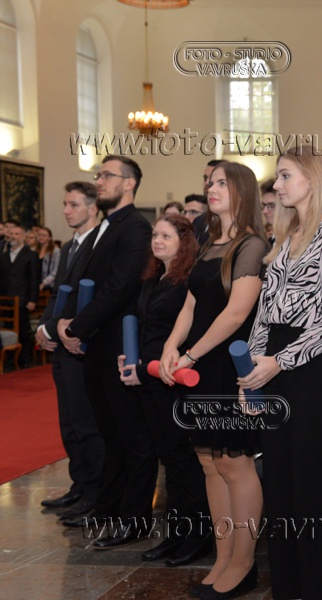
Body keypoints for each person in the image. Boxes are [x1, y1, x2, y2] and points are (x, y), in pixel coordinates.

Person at [240, 145, 322, 600]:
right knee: (280, 482)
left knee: (312, 483)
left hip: (311, 365)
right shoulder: (285, 237)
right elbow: (264, 314)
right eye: (278, 176)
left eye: (286, 175)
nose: (278, 184)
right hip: (272, 364)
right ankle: (287, 587)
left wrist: (279, 361)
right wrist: (250, 372)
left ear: (311, 179)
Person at [159, 160, 267, 600]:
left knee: (235, 465)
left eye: (222, 182)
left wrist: (191, 353)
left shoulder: (252, 244)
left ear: (242, 190)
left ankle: (244, 563)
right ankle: (223, 558)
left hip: (227, 366)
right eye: (210, 182)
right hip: (201, 364)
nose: (212, 188)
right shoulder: (210, 242)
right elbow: (190, 304)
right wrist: (171, 346)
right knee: (209, 464)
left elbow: (237, 313)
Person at [57, 155, 156, 548]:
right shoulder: (105, 226)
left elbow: (119, 288)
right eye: (98, 175)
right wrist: (65, 324)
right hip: (95, 345)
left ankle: (135, 519)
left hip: (118, 346)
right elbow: (82, 282)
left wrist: (76, 327)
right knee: (109, 434)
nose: (99, 181)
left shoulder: (136, 228)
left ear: (129, 183)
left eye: (107, 175)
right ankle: (108, 508)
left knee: (132, 437)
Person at [117, 214, 211, 567]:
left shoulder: (188, 282)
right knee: (169, 459)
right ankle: (176, 534)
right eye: (155, 235)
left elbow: (184, 335)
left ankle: (197, 537)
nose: (157, 240)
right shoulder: (154, 277)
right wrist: (130, 359)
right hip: (149, 378)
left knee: (185, 460)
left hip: (173, 380)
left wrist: (147, 368)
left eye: (166, 236)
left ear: (184, 242)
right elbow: (146, 328)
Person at [35, 182, 104, 520]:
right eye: (65, 203)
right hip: (60, 343)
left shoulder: (99, 245)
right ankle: (79, 484)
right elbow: (59, 295)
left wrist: (62, 329)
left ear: (92, 208)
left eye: (73, 204)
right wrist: (43, 328)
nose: (65, 210)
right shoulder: (68, 247)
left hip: (82, 344)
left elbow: (92, 299)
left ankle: (95, 493)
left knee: (86, 422)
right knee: (68, 422)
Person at [0, 221, 40, 365]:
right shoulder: (3, 255)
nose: (13, 236)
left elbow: (34, 279)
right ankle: (10, 360)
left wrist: (33, 300)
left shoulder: (31, 255)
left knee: (23, 331)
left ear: (23, 237)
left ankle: (27, 361)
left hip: (23, 299)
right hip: (5, 300)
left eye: (17, 234)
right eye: (11, 233)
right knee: (8, 329)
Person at [35, 226, 60, 291]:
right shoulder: (34, 250)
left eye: (44, 235)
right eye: (39, 235)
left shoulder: (55, 251)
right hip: (36, 283)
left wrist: (43, 283)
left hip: (49, 285)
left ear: (49, 238)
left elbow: (56, 270)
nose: (41, 237)